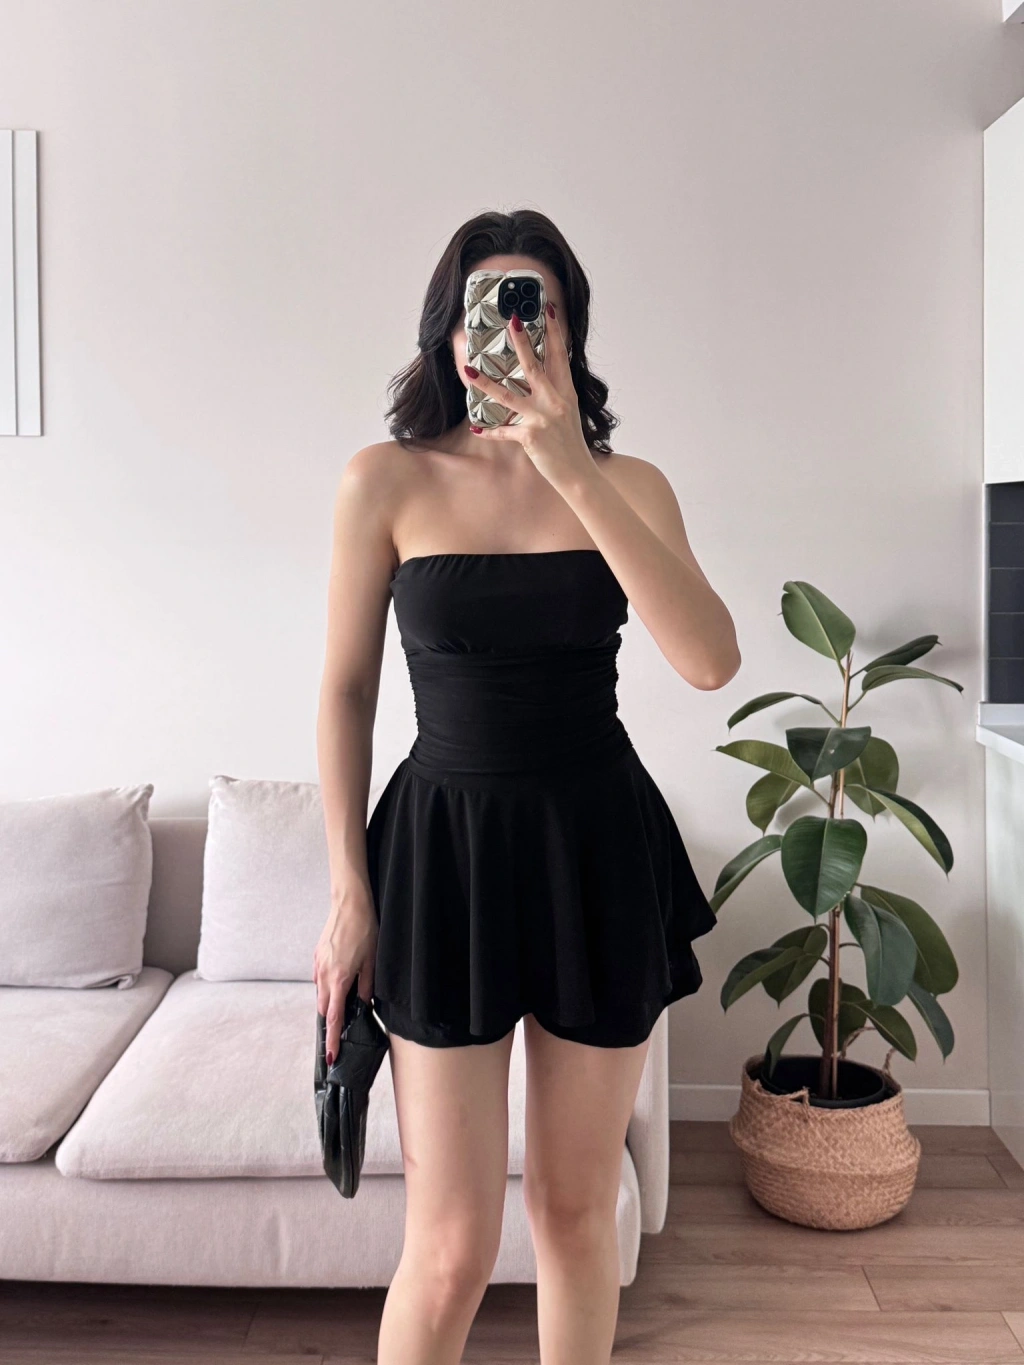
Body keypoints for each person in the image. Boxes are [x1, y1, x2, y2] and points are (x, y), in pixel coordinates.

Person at [313, 207, 740, 1365]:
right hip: (442, 854)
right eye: (482, 308)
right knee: (450, 1245)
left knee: (573, 1211)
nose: (504, 332)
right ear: (445, 333)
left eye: (530, 308)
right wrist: (349, 891)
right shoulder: (384, 481)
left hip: (596, 850)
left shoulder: (628, 484)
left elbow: (709, 659)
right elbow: (345, 692)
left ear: (568, 331)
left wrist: (568, 466)